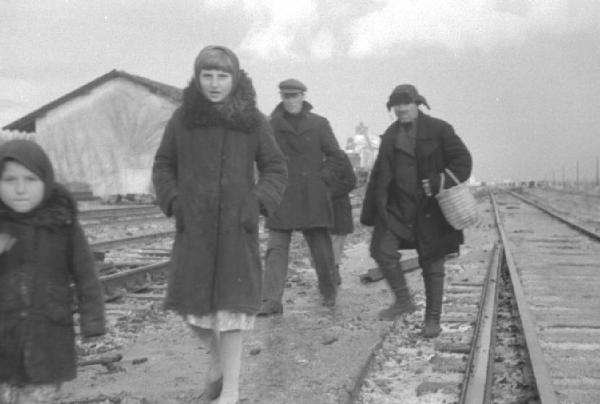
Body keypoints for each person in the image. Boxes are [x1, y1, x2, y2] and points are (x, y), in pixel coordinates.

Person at [152, 45, 287, 404]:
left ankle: (232, 390)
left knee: (230, 314)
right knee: (191, 310)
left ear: (235, 78)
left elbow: (275, 167)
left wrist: (256, 202)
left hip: (234, 230)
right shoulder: (182, 119)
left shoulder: (253, 120)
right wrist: (174, 201)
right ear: (197, 78)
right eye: (207, 75)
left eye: (222, 76)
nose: (214, 83)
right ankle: (216, 362)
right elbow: (164, 164)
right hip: (193, 229)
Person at [360, 84, 472, 338]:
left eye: (406, 103)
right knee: (381, 250)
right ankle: (403, 300)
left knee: (432, 263)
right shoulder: (389, 135)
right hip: (396, 209)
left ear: (417, 104)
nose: (401, 109)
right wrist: (370, 212)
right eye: (396, 104)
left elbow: (463, 162)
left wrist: (438, 181)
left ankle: (432, 320)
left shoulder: (440, 129)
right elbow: (378, 175)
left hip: (430, 209)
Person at [0, 139, 106, 404]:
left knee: (39, 398)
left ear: (46, 181)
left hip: (48, 337)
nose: (20, 189)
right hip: (4, 340)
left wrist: (92, 323)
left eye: (30, 179)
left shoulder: (63, 224)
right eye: (10, 180)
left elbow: (86, 276)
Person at [258, 78, 344, 316]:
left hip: (312, 194)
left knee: (321, 250)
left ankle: (328, 292)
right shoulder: (270, 125)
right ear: (281, 98)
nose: (291, 101)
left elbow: (335, 156)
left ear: (303, 96)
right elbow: (262, 159)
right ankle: (271, 300)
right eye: (286, 96)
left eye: (295, 96)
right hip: (282, 196)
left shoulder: (319, 124)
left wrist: (323, 179)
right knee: (275, 249)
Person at [322, 150, 357, 285]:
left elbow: (351, 181)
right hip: (317, 208)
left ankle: (333, 271)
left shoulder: (340, 157)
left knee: (337, 240)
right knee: (319, 240)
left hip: (338, 207)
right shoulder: (309, 154)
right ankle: (325, 272)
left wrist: (329, 192)